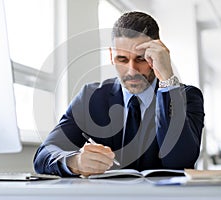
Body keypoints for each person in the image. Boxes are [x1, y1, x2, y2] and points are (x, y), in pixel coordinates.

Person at [33, 11, 205, 177]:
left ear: (158, 54)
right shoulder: (90, 97)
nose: (132, 71)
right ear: (111, 55)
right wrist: (75, 162)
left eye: (141, 59)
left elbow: (179, 161)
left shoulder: (187, 96)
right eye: (122, 59)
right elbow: (43, 155)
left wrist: (167, 80)